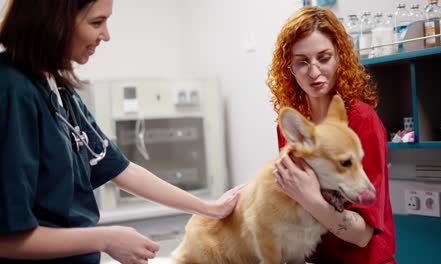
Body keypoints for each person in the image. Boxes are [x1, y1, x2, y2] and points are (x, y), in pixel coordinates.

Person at [0, 1, 243, 263]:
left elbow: (121, 169)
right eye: (96, 23)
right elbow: (8, 239)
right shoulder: (12, 90)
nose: (106, 35)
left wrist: (209, 208)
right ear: (53, 21)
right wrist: (105, 238)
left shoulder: (56, 88)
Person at [266, 6, 396, 264]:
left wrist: (310, 197)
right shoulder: (293, 126)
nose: (314, 72)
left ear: (340, 57)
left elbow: (362, 234)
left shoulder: (361, 120)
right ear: (289, 68)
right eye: (302, 62)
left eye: (324, 58)